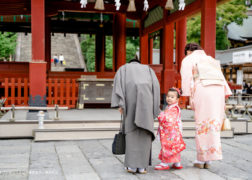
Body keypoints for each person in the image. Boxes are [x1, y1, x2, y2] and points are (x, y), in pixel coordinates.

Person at [180, 43, 232, 169]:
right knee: (213, 124)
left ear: (188, 51)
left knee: (202, 123)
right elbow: (222, 79)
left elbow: (187, 77)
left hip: (203, 88)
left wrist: (186, 96)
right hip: (218, 90)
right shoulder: (211, 59)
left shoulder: (189, 59)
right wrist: (226, 94)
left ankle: (201, 158)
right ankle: (209, 159)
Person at [111, 57, 160, 174]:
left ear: (130, 63)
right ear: (139, 63)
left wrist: (120, 104)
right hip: (147, 105)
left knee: (131, 134)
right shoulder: (148, 69)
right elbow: (156, 88)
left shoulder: (123, 69)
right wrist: (155, 108)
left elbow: (118, 87)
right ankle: (142, 167)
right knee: (145, 133)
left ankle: (132, 166)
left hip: (129, 104)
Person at [155, 88, 186, 171]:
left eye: (172, 97)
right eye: (168, 96)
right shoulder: (171, 107)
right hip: (173, 131)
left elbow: (168, 119)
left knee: (168, 146)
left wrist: (160, 115)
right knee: (174, 147)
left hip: (171, 132)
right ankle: (177, 163)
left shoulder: (174, 108)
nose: (169, 98)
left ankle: (164, 163)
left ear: (177, 99)